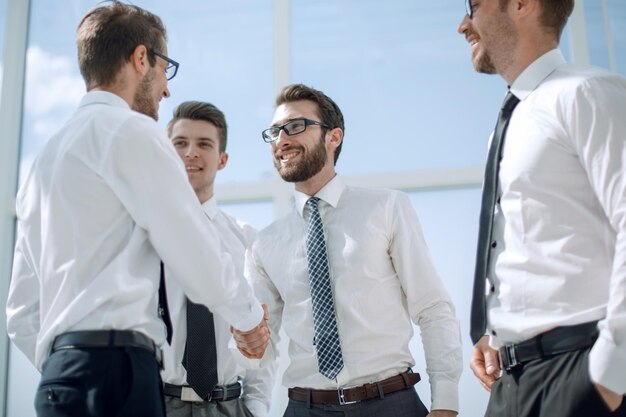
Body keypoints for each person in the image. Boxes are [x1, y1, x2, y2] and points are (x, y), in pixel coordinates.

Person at [5, 3, 268, 417]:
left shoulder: (46, 158)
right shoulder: (133, 132)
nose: (166, 89)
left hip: (59, 381)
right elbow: (197, 257)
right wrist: (250, 319)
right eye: (166, 69)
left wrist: (68, 366)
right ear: (141, 58)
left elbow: (21, 314)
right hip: (119, 374)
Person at [235, 83, 462, 417]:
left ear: (333, 137)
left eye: (295, 127)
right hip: (304, 408)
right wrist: (248, 345)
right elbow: (261, 348)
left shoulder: (386, 207)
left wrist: (446, 401)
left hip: (391, 404)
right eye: (274, 132)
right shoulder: (263, 244)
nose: (281, 140)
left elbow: (432, 307)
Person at [457, 0, 626, 416]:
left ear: (521, 4)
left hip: (578, 372)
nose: (463, 25)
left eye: (473, 7)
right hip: (511, 383)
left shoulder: (586, 93)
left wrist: (610, 374)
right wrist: (493, 331)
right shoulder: (511, 122)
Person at [161, 101, 276, 417]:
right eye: (180, 143)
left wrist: (255, 409)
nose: (191, 153)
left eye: (204, 144)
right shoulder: (143, 237)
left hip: (229, 407)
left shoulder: (248, 240)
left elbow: (265, 334)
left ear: (222, 159)